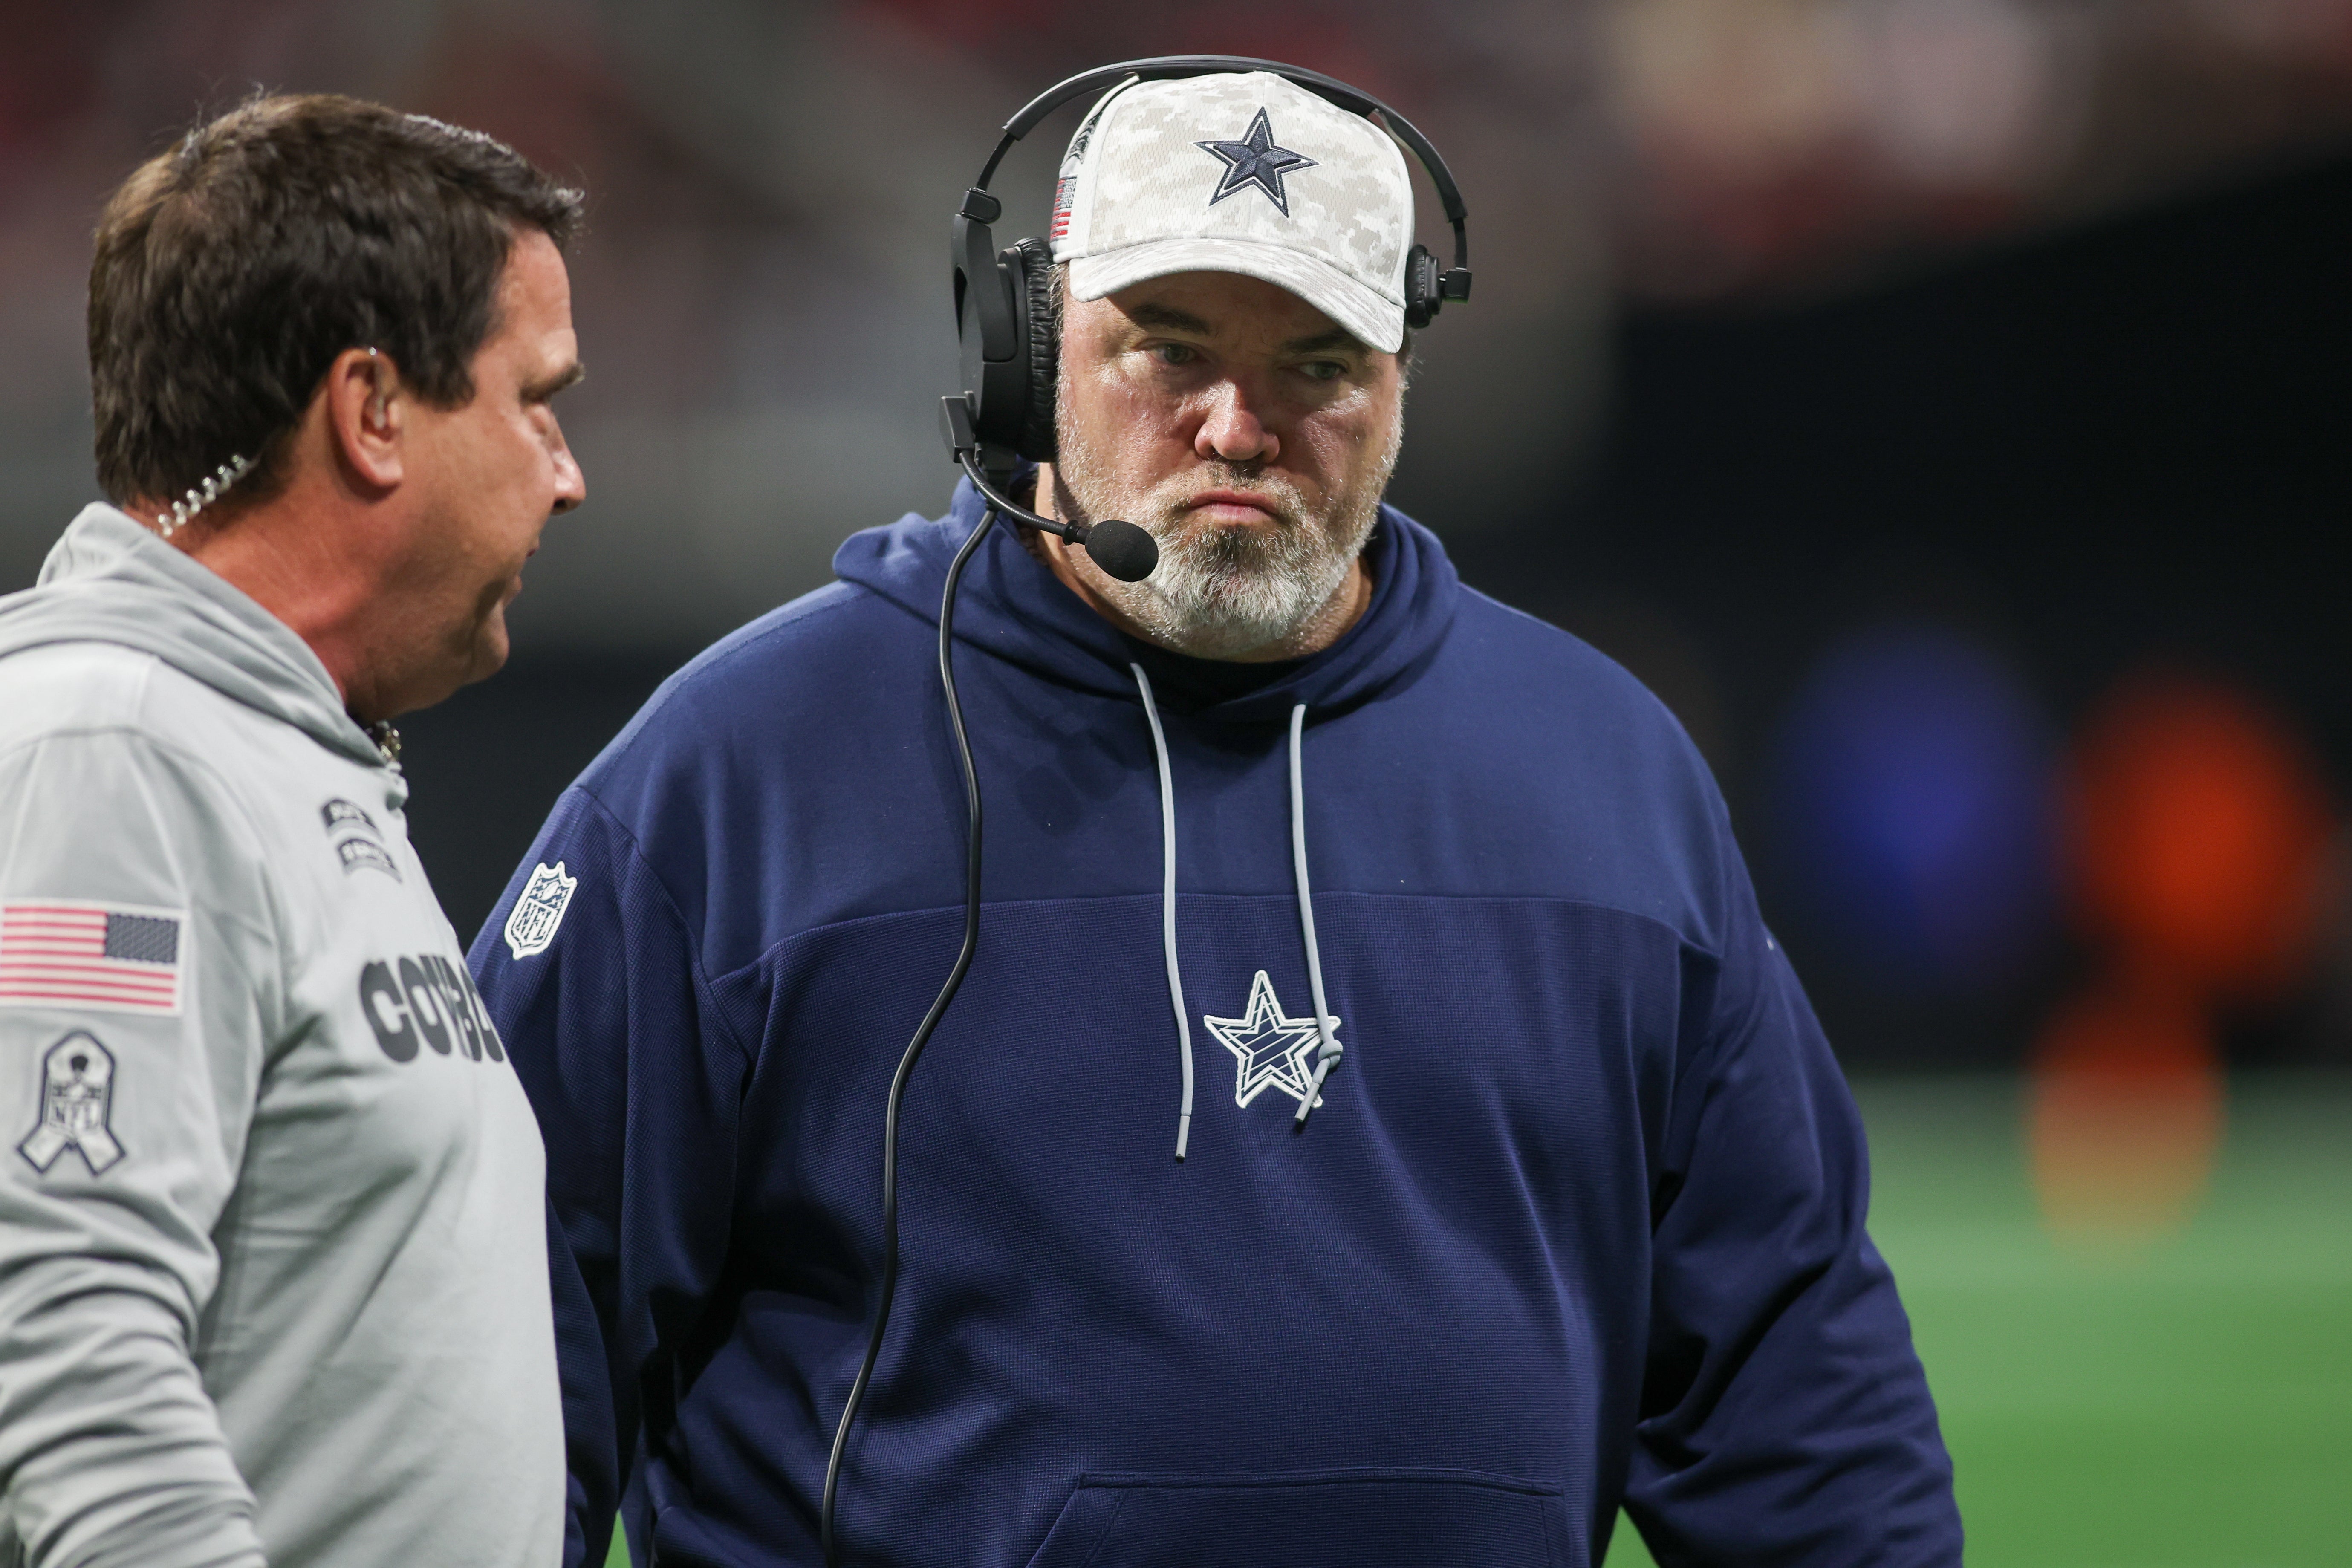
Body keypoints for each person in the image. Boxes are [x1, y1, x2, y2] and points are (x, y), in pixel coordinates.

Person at [473, 67, 1962, 1567]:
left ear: (1400, 385)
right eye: (1169, 350)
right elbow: (490, 1348)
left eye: (1318, 364)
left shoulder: (1607, 772)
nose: (1237, 427)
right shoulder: (745, 770)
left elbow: (1796, 1399)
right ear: (1033, 351)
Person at [0, 95, 587, 1566]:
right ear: (372, 411)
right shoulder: (115, 749)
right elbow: (67, 1346)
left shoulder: (261, 749)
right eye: (534, 401)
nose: (568, 473)